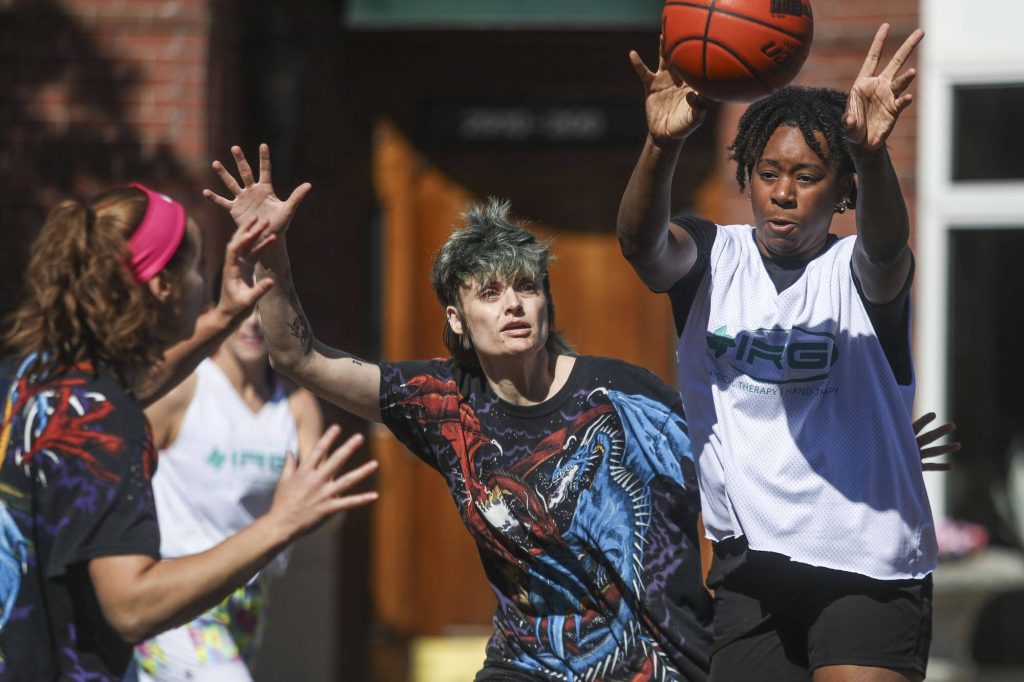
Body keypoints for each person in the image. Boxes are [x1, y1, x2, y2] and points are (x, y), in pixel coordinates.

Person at [203, 144, 715, 681]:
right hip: (529, 665)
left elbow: (731, 486)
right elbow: (298, 356)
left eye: (527, 287)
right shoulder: (443, 403)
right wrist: (269, 248)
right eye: (490, 293)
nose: (513, 304)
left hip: (660, 664)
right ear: (457, 319)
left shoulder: (626, 397)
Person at [618, 22, 936, 682]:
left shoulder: (859, 272)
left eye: (807, 176)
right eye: (768, 173)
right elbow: (643, 249)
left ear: (842, 192)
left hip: (866, 563)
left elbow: (884, 248)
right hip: (750, 569)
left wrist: (873, 155)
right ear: (749, 176)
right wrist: (659, 145)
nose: (783, 192)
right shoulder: (714, 258)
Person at [0, 183, 377, 680]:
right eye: (198, 267)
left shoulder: (32, 377)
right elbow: (130, 605)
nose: (203, 282)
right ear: (163, 285)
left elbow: (133, 382)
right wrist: (279, 524)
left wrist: (223, 315)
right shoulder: (110, 427)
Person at [131, 305, 323, 680]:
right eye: (242, 310)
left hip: (249, 597)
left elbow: (318, 502)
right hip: (177, 591)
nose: (252, 322)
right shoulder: (185, 388)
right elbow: (112, 467)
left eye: (264, 310)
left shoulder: (297, 405)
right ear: (217, 308)